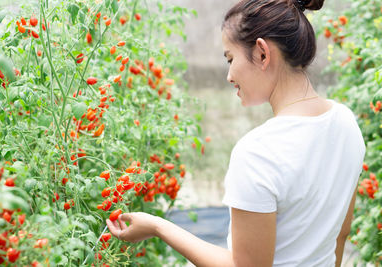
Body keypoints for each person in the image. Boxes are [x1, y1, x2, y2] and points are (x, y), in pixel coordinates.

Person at [106, 0, 366, 266]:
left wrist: (157, 227)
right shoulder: (346, 123)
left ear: (262, 53)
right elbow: (339, 237)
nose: (229, 76)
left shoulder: (259, 152)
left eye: (231, 58)